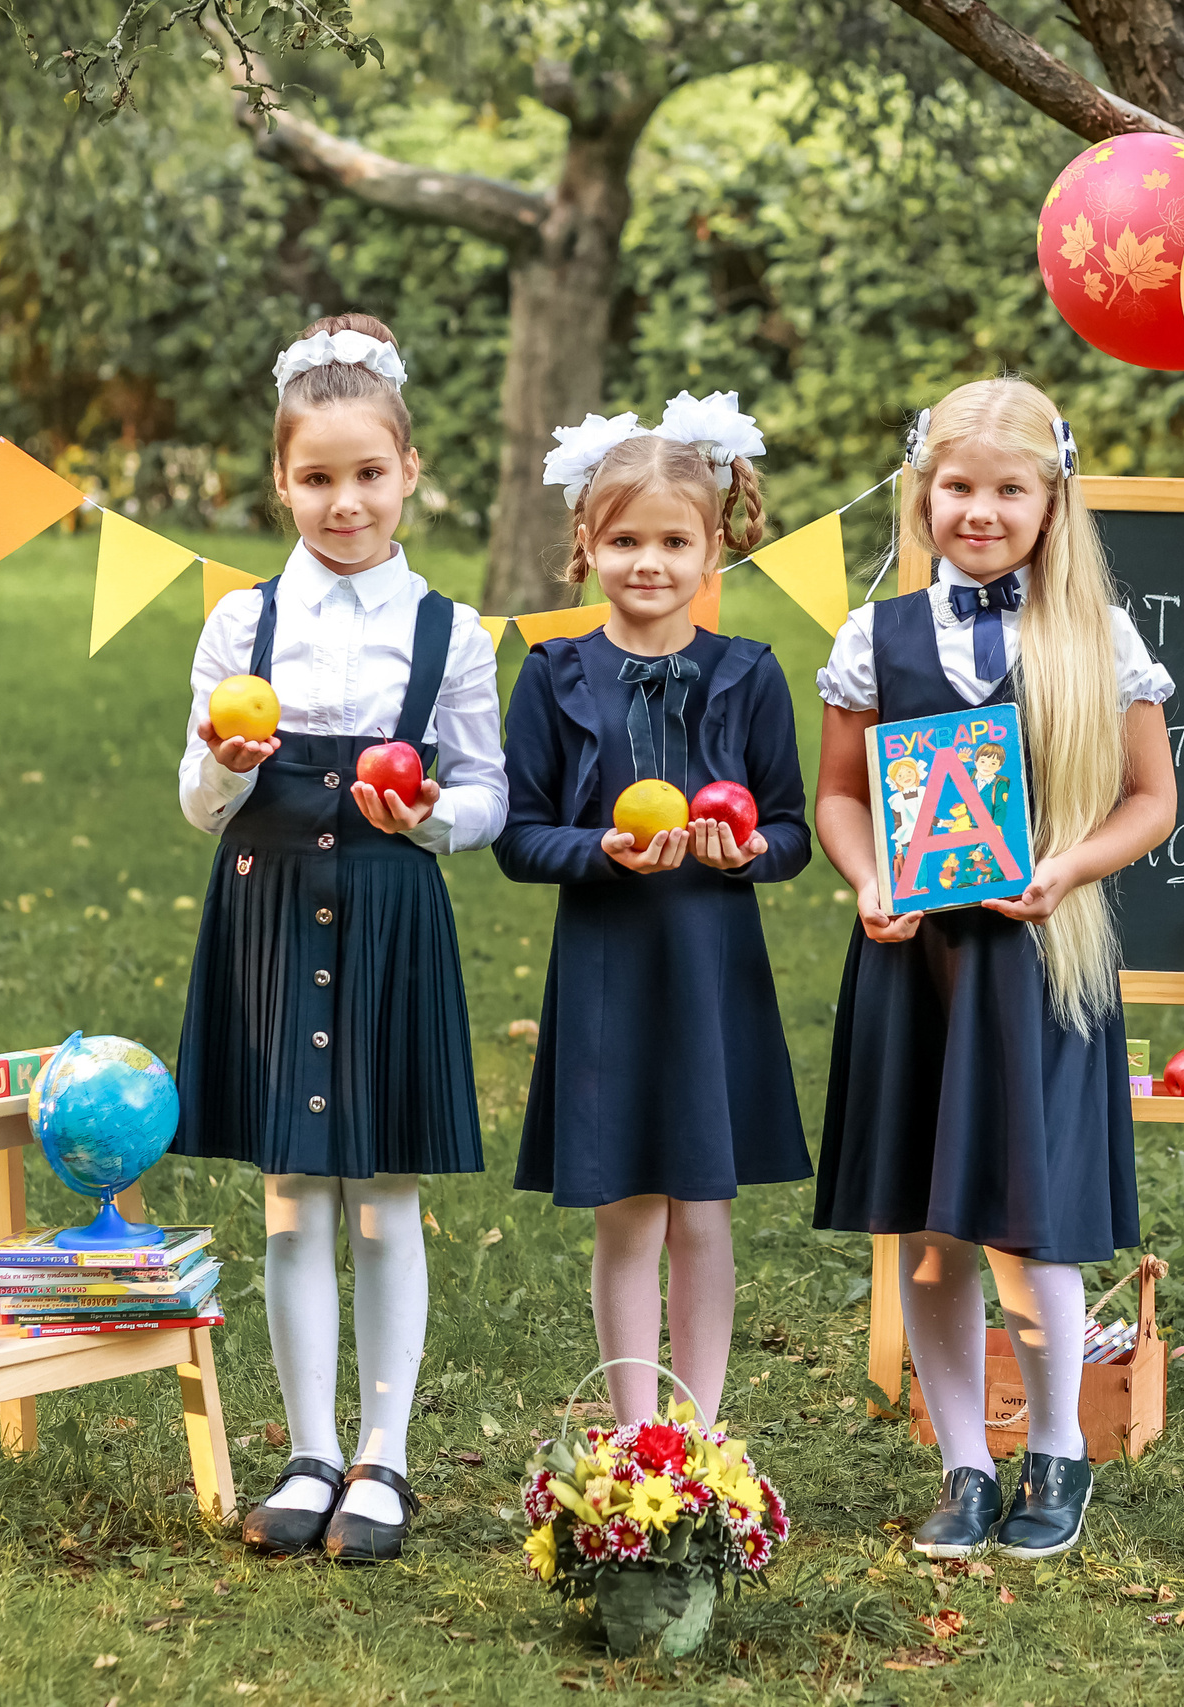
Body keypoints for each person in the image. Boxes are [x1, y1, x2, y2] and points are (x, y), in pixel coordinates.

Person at [811, 378, 1178, 1560]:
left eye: (1007, 489)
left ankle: (1057, 1452)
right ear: (923, 495)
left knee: (1031, 1226)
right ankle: (965, 1466)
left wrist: (1069, 870)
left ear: (1049, 499)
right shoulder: (874, 636)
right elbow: (837, 794)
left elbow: (1151, 801)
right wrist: (868, 878)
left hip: (1033, 965)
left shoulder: (1093, 638)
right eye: (957, 487)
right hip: (913, 964)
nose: (979, 509)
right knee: (928, 1229)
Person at [172, 315, 506, 1564]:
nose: (345, 501)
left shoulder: (450, 634)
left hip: (386, 909)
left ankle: (388, 1459)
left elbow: (490, 794)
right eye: (317, 477)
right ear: (281, 483)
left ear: (410, 471)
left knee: (385, 1198)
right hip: (265, 901)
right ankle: (309, 1449)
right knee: (292, 1195)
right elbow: (198, 806)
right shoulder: (240, 627)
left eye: (369, 474)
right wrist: (221, 758)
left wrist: (429, 820)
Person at [496, 392, 813, 1429]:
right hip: (606, 968)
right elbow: (518, 833)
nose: (649, 563)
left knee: (705, 1214)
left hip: (712, 968)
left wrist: (748, 852)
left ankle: (701, 1429)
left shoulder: (750, 674)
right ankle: (638, 1433)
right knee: (627, 1215)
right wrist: (601, 853)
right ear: (584, 546)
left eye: (673, 541)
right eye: (624, 539)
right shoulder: (553, 676)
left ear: (714, 545)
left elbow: (792, 830)